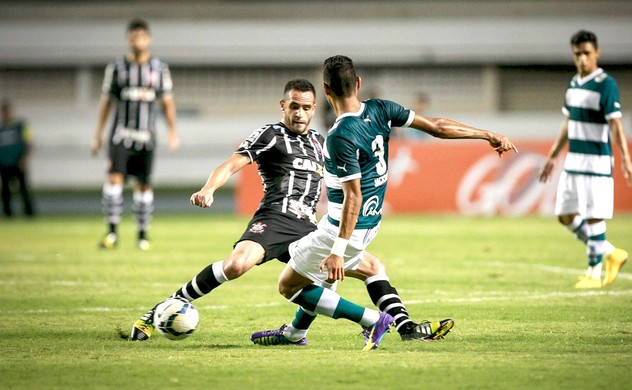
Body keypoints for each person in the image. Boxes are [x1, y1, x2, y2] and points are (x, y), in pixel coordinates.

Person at [130, 78, 454, 345]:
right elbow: (233, 163)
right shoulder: (271, 135)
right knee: (237, 265)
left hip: (309, 228)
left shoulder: (321, 141)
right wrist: (209, 188)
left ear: (315, 109)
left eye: (306, 108)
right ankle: (161, 309)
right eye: (294, 106)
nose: (300, 113)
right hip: (273, 221)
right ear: (283, 106)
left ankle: (402, 326)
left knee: (371, 266)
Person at [251, 55, 517, 350]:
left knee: (288, 285)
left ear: (326, 91)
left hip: (342, 228)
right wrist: (486, 134)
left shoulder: (340, 136)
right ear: (359, 84)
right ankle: (396, 327)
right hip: (370, 223)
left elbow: (354, 195)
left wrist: (338, 250)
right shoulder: (382, 109)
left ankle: (371, 320)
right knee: (371, 267)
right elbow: (438, 125)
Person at [538, 30, 632, 289]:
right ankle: (612, 253)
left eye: (587, 53)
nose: (582, 59)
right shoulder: (573, 84)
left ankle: (593, 273)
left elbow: (615, 124)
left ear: (597, 53)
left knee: (594, 217)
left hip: (596, 162)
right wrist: (552, 155)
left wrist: (625, 158)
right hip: (573, 162)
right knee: (565, 215)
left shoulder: (606, 84)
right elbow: (569, 122)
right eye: (578, 54)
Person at [91, 18, 179, 250]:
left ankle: (142, 235)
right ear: (128, 40)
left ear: (148, 39)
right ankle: (111, 233)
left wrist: (173, 132)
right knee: (114, 179)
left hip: (146, 137)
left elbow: (167, 102)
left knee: (143, 185)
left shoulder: (159, 69)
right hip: (121, 135)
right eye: (133, 36)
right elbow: (106, 102)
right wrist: (98, 134)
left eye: (141, 36)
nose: (137, 40)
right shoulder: (117, 68)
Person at [0, 101, 35, 218]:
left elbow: (28, 142)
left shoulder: (20, 125)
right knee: (5, 190)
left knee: (23, 189)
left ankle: (29, 213)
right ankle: (7, 213)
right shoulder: (1, 127)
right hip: (4, 163)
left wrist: (24, 158)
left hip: (18, 162)